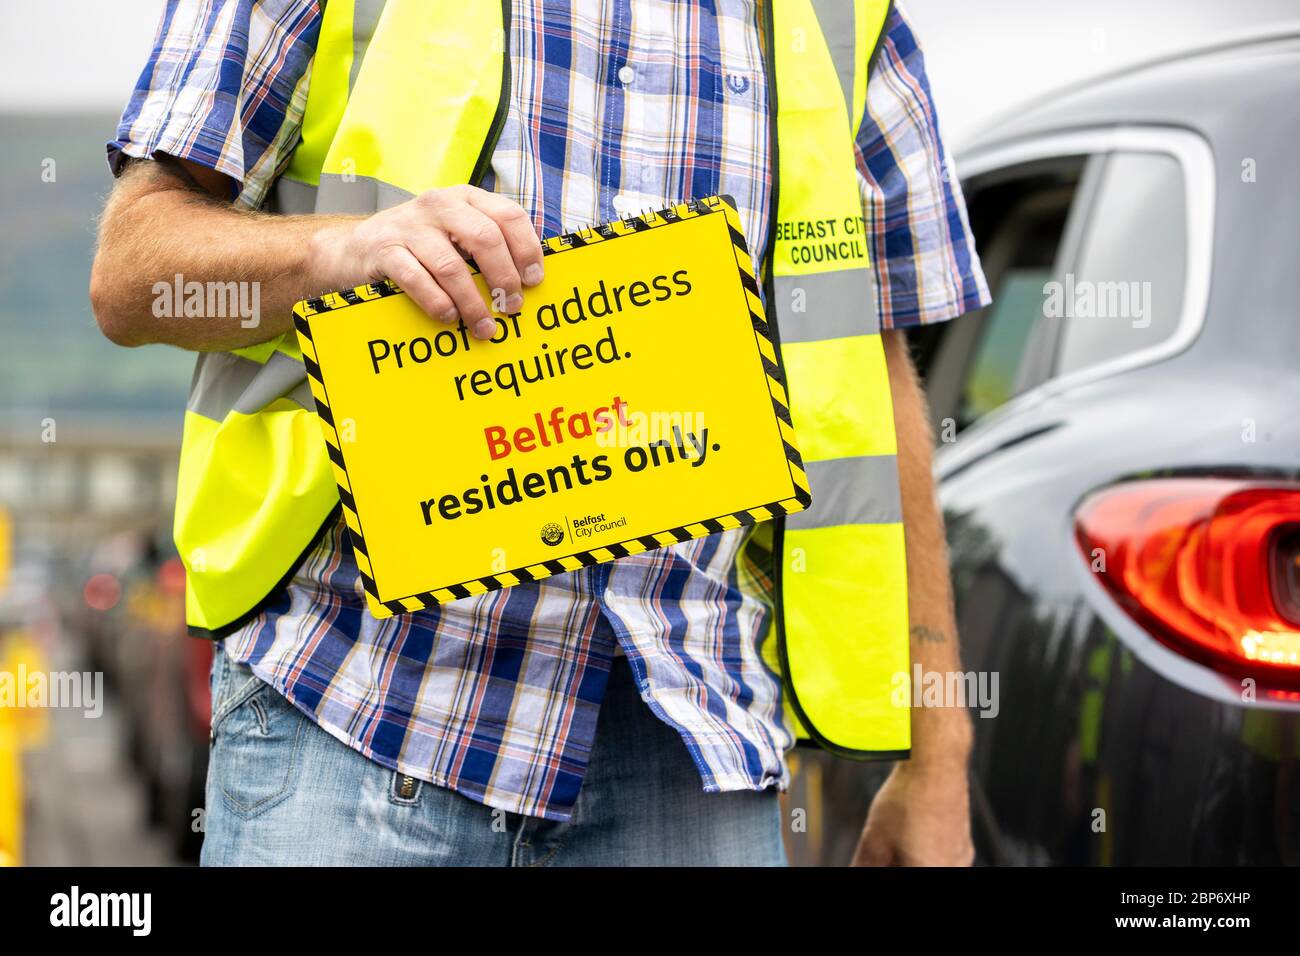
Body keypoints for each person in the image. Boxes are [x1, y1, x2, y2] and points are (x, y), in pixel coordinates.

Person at [90, 0, 989, 866]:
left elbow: (875, 364)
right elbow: (134, 272)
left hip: (694, 749)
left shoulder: (846, 15)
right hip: (355, 705)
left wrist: (938, 759)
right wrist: (341, 252)